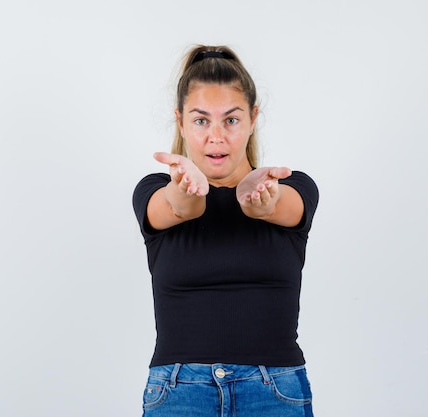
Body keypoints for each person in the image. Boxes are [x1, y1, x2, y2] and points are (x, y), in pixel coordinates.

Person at [132, 44, 319, 417]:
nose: (216, 136)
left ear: (252, 118)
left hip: (274, 392)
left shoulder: (294, 187)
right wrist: (185, 191)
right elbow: (179, 207)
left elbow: (281, 207)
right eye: (201, 120)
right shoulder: (152, 191)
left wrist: (262, 203)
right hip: (179, 393)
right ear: (180, 121)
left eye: (231, 120)